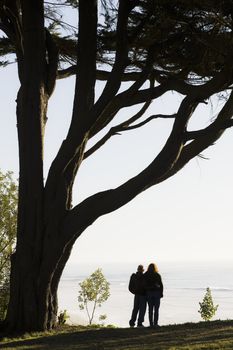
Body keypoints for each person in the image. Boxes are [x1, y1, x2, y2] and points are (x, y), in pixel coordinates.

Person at [144, 263, 163, 327]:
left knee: (150, 309)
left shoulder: (146, 275)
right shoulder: (157, 275)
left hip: (149, 293)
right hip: (156, 293)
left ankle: (151, 324)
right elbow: (161, 285)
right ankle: (155, 323)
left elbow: (144, 285)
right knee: (156, 309)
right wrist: (161, 293)